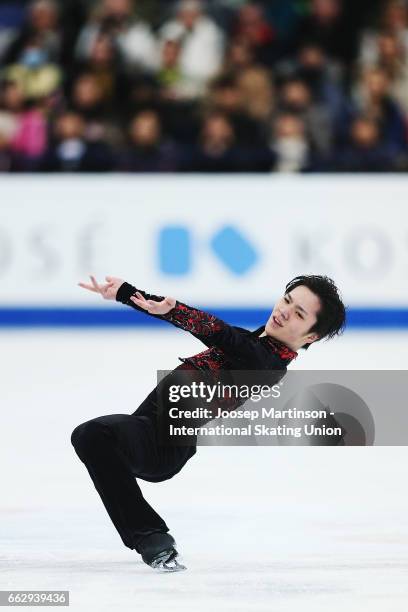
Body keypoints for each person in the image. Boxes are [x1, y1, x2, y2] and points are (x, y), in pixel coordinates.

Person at [71, 273, 346, 571]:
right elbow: (224, 335)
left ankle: (151, 537)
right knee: (94, 439)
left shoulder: (266, 364)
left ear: (310, 336)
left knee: (92, 435)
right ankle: (148, 533)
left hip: (163, 444)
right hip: (147, 428)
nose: (283, 311)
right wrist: (127, 294)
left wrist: (175, 310)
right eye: (287, 300)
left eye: (298, 314)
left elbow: (220, 333)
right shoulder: (249, 343)